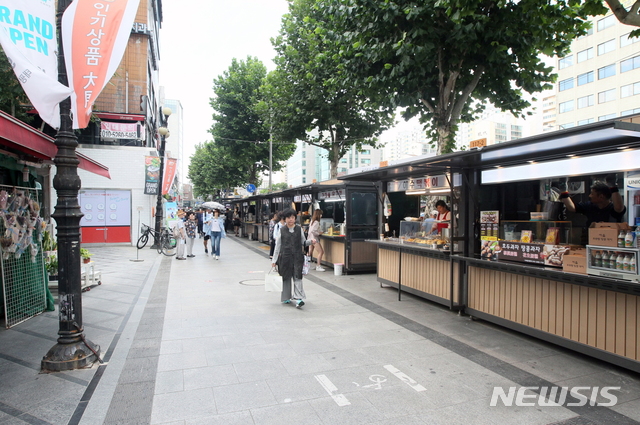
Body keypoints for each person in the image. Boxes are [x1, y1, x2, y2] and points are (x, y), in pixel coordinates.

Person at [272, 208, 316, 308]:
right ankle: (286, 297)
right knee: (286, 277)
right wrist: (274, 260)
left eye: (292, 217)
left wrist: (311, 241)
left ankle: (299, 299)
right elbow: (277, 246)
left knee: (297, 277)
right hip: (285, 258)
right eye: (288, 218)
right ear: (285, 219)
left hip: (297, 257)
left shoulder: (299, 229)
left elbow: (303, 242)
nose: (291, 220)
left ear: (295, 218)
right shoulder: (282, 230)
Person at [561, 180, 626, 243]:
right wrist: (564, 192)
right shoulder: (589, 206)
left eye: (592, 194)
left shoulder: (612, 208)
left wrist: (613, 187)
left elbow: (619, 208)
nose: (589, 196)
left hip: (610, 245)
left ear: (601, 196)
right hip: (590, 243)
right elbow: (572, 208)